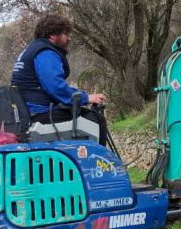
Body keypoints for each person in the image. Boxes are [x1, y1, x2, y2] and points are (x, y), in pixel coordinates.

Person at [11, 13, 109, 146]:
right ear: (52, 35)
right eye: (66, 34)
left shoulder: (29, 50)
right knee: (96, 120)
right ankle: (99, 165)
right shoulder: (45, 52)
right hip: (38, 113)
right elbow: (55, 86)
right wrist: (85, 98)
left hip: (25, 113)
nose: (69, 39)